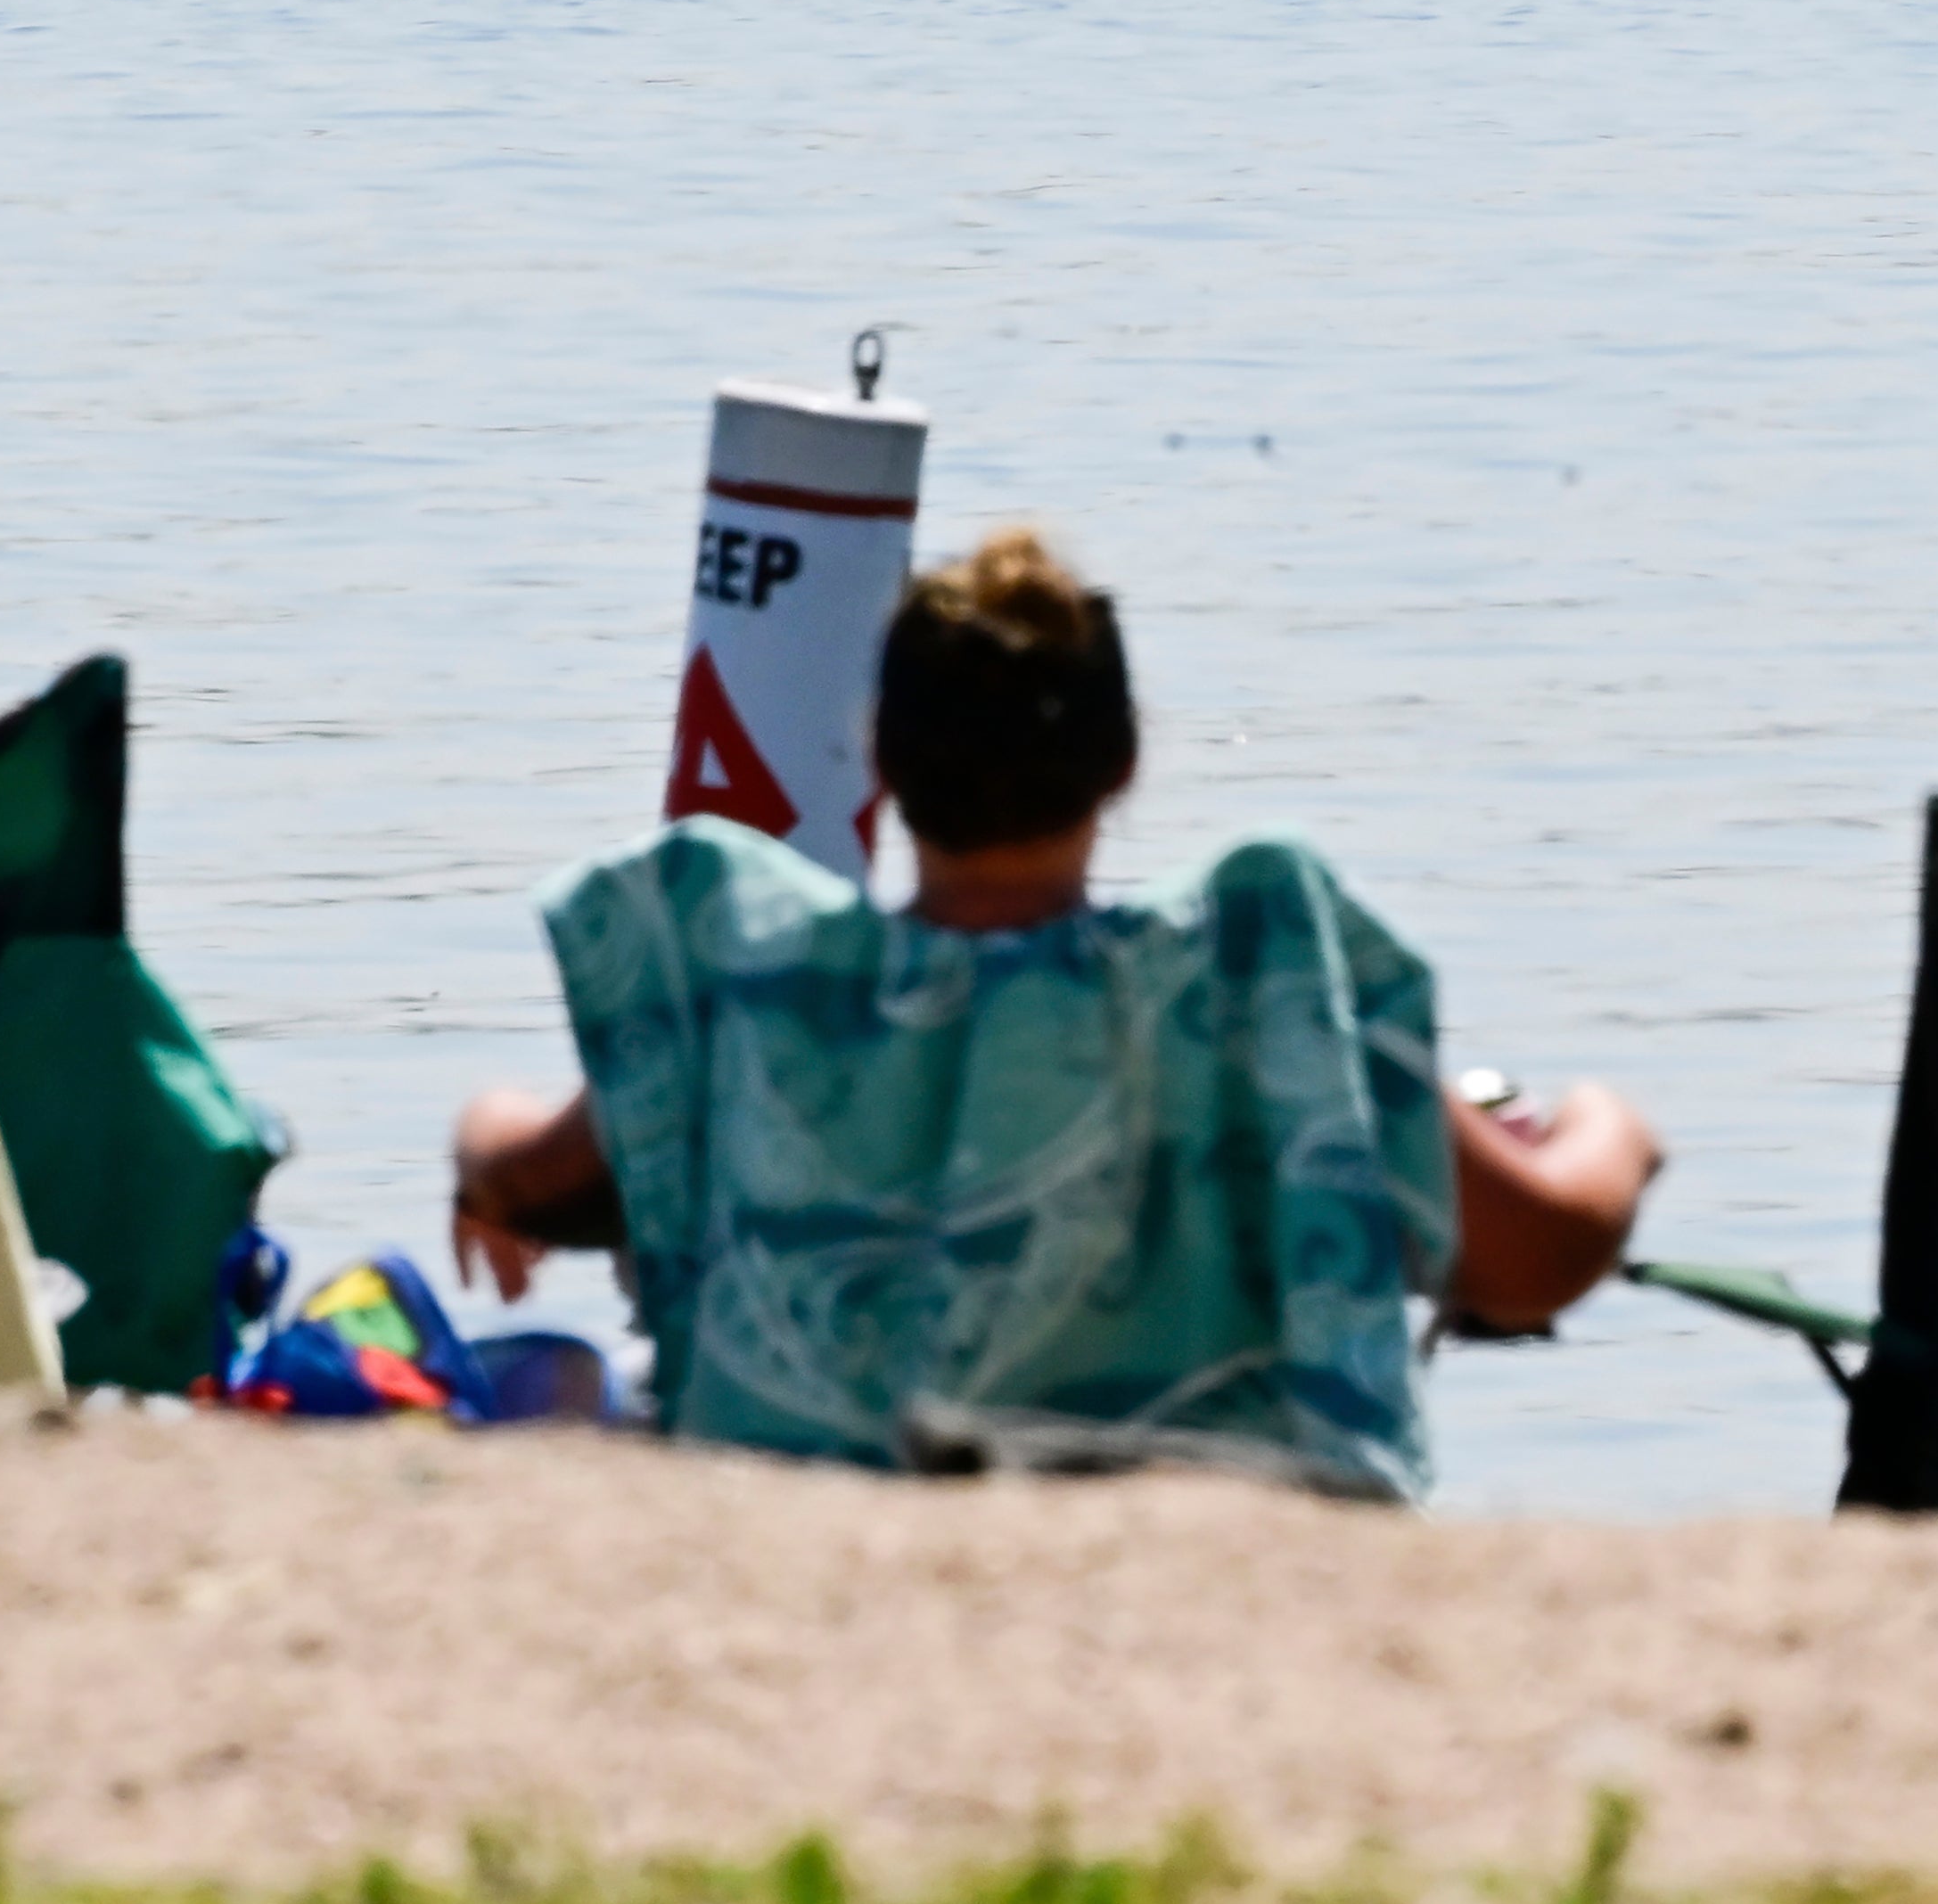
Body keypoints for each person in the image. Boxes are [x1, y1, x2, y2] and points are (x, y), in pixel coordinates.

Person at [449, 521, 1657, 1485]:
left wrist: (480, 1149)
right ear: (1123, 762)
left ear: (879, 762)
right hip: (1210, 1532)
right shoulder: (1244, 986)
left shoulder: (770, 989)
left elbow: (528, 1171)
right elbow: (1539, 1255)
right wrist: (1615, 1132)